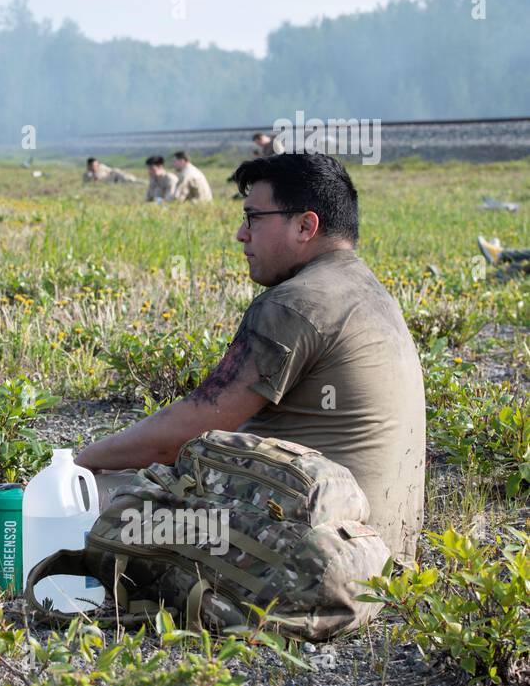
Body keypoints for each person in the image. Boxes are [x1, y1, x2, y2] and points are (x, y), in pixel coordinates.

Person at [75, 151, 426, 563]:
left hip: (314, 552)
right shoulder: (368, 290)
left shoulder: (295, 303)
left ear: (305, 225)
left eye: (253, 218)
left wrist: (82, 460)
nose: (242, 234)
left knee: (73, 496)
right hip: (382, 552)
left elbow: (188, 428)